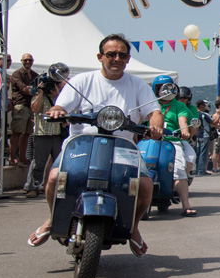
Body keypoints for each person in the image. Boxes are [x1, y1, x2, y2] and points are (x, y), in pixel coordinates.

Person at [27, 34, 162, 257]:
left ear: (128, 59)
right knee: (54, 178)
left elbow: (154, 111)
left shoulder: (137, 84)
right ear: (100, 57)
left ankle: (133, 227)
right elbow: (62, 105)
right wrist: (57, 110)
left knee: (146, 185)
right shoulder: (82, 81)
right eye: (111, 54)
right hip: (82, 142)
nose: (117, 58)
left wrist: (156, 125)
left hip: (123, 146)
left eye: (122, 55)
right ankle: (52, 219)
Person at [153, 75, 197, 217]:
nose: (165, 90)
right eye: (161, 87)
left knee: (179, 169)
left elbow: (183, 120)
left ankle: (185, 204)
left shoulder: (179, 106)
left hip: (172, 140)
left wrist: (184, 131)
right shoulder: (151, 103)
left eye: (169, 87)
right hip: (151, 140)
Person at [24, 78, 65, 197]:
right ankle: (33, 188)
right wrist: (40, 93)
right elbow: (34, 109)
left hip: (57, 134)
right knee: (38, 163)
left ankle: (60, 189)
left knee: (61, 163)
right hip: (42, 133)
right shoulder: (39, 96)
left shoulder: (60, 98)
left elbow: (67, 109)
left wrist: (58, 94)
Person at [10, 52, 39, 166]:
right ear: (21, 61)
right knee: (17, 132)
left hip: (31, 105)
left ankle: (22, 157)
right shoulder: (17, 73)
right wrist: (36, 90)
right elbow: (23, 88)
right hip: (20, 104)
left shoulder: (35, 75)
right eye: (25, 60)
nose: (28, 62)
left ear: (33, 61)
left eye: (30, 60)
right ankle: (13, 158)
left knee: (27, 133)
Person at [0, 54, 12, 156]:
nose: (9, 63)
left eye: (10, 61)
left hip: (2, 108)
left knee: (2, 133)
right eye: (7, 60)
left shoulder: (3, 74)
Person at [194, 100, 213, 176]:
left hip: (197, 135)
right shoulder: (204, 114)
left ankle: (196, 169)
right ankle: (201, 170)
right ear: (201, 106)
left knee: (197, 153)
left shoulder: (194, 113)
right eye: (204, 105)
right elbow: (212, 123)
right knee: (203, 153)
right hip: (204, 135)